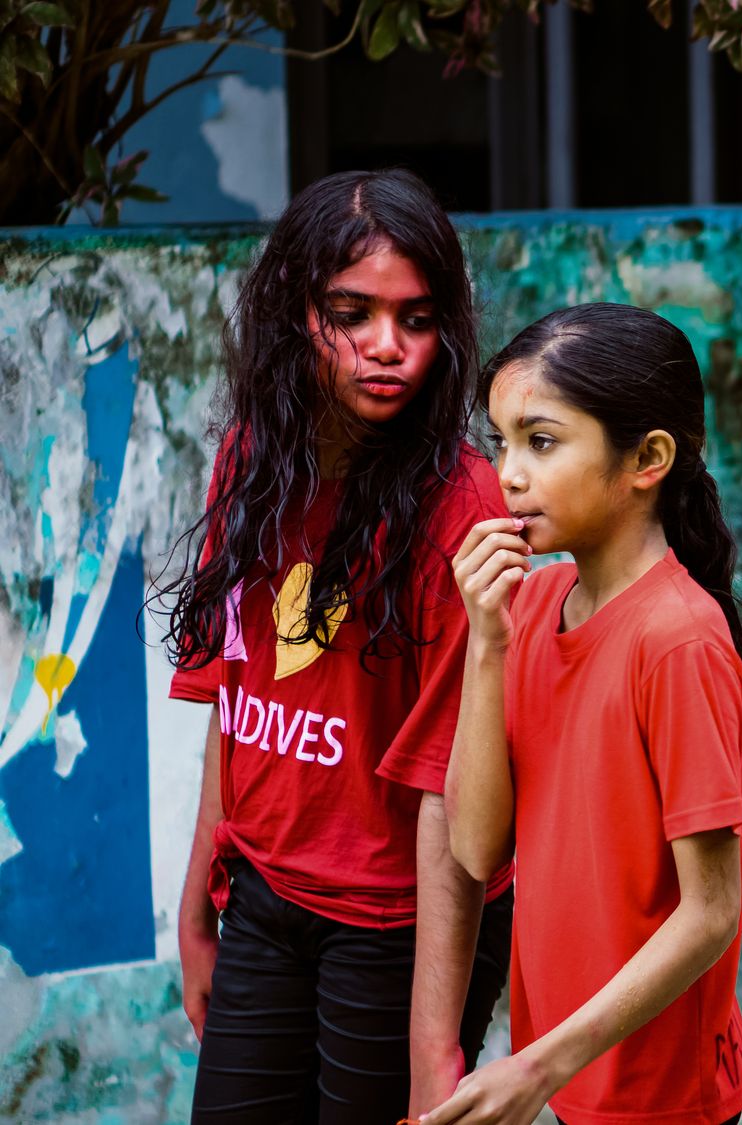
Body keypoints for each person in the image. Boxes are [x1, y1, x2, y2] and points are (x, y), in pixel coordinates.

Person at [161, 168, 513, 1123]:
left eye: (416, 317)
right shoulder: (251, 460)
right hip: (264, 901)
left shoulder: (465, 506)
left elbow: (452, 786)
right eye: (350, 313)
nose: (386, 347)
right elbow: (236, 707)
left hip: (402, 922)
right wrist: (198, 908)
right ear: (294, 313)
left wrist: (434, 1039)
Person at [427, 303, 742, 1125]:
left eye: (541, 442)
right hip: (572, 1073)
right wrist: (486, 643)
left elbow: (710, 911)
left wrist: (536, 1065)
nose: (509, 474)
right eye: (502, 441)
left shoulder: (677, 640)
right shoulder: (535, 602)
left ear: (647, 458)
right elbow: (477, 848)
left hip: (657, 1094)